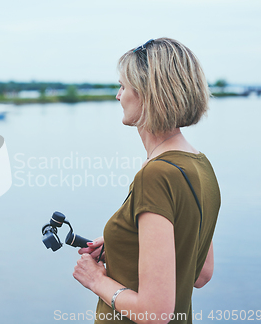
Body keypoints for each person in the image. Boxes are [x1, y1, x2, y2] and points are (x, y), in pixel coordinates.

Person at [72, 38, 221, 324]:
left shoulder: (156, 175)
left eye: (123, 86)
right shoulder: (201, 166)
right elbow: (201, 273)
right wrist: (125, 243)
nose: (118, 96)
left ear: (147, 94)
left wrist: (95, 280)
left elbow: (155, 313)